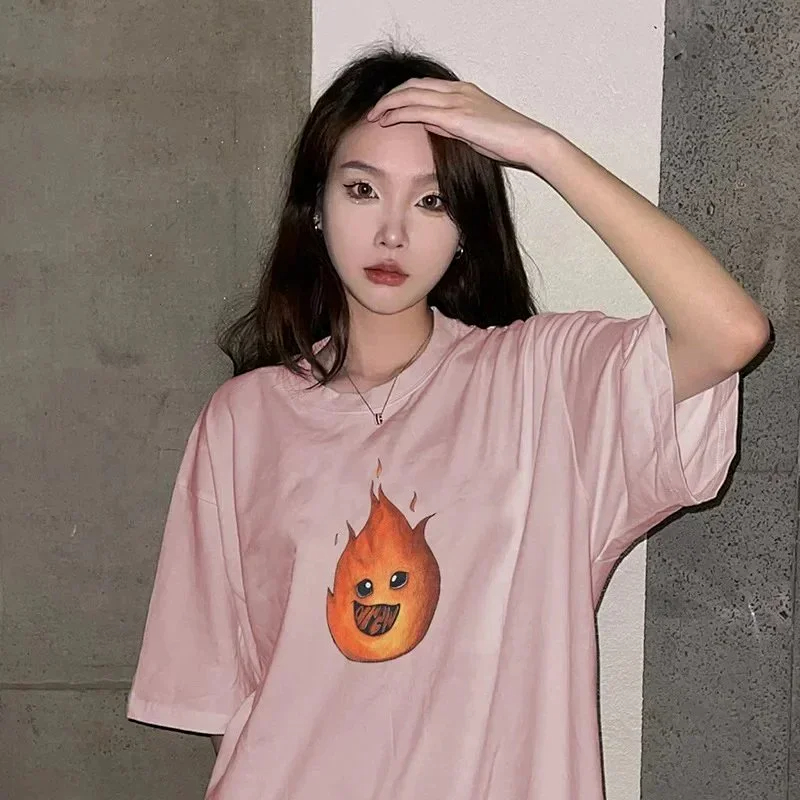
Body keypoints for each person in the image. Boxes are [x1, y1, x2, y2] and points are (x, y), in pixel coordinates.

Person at [126, 43, 770, 799]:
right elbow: (227, 699)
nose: (392, 233)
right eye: (362, 190)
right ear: (315, 208)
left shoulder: (542, 386)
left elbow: (730, 333)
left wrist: (541, 149)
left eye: (431, 201)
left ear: (466, 226)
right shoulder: (244, 420)